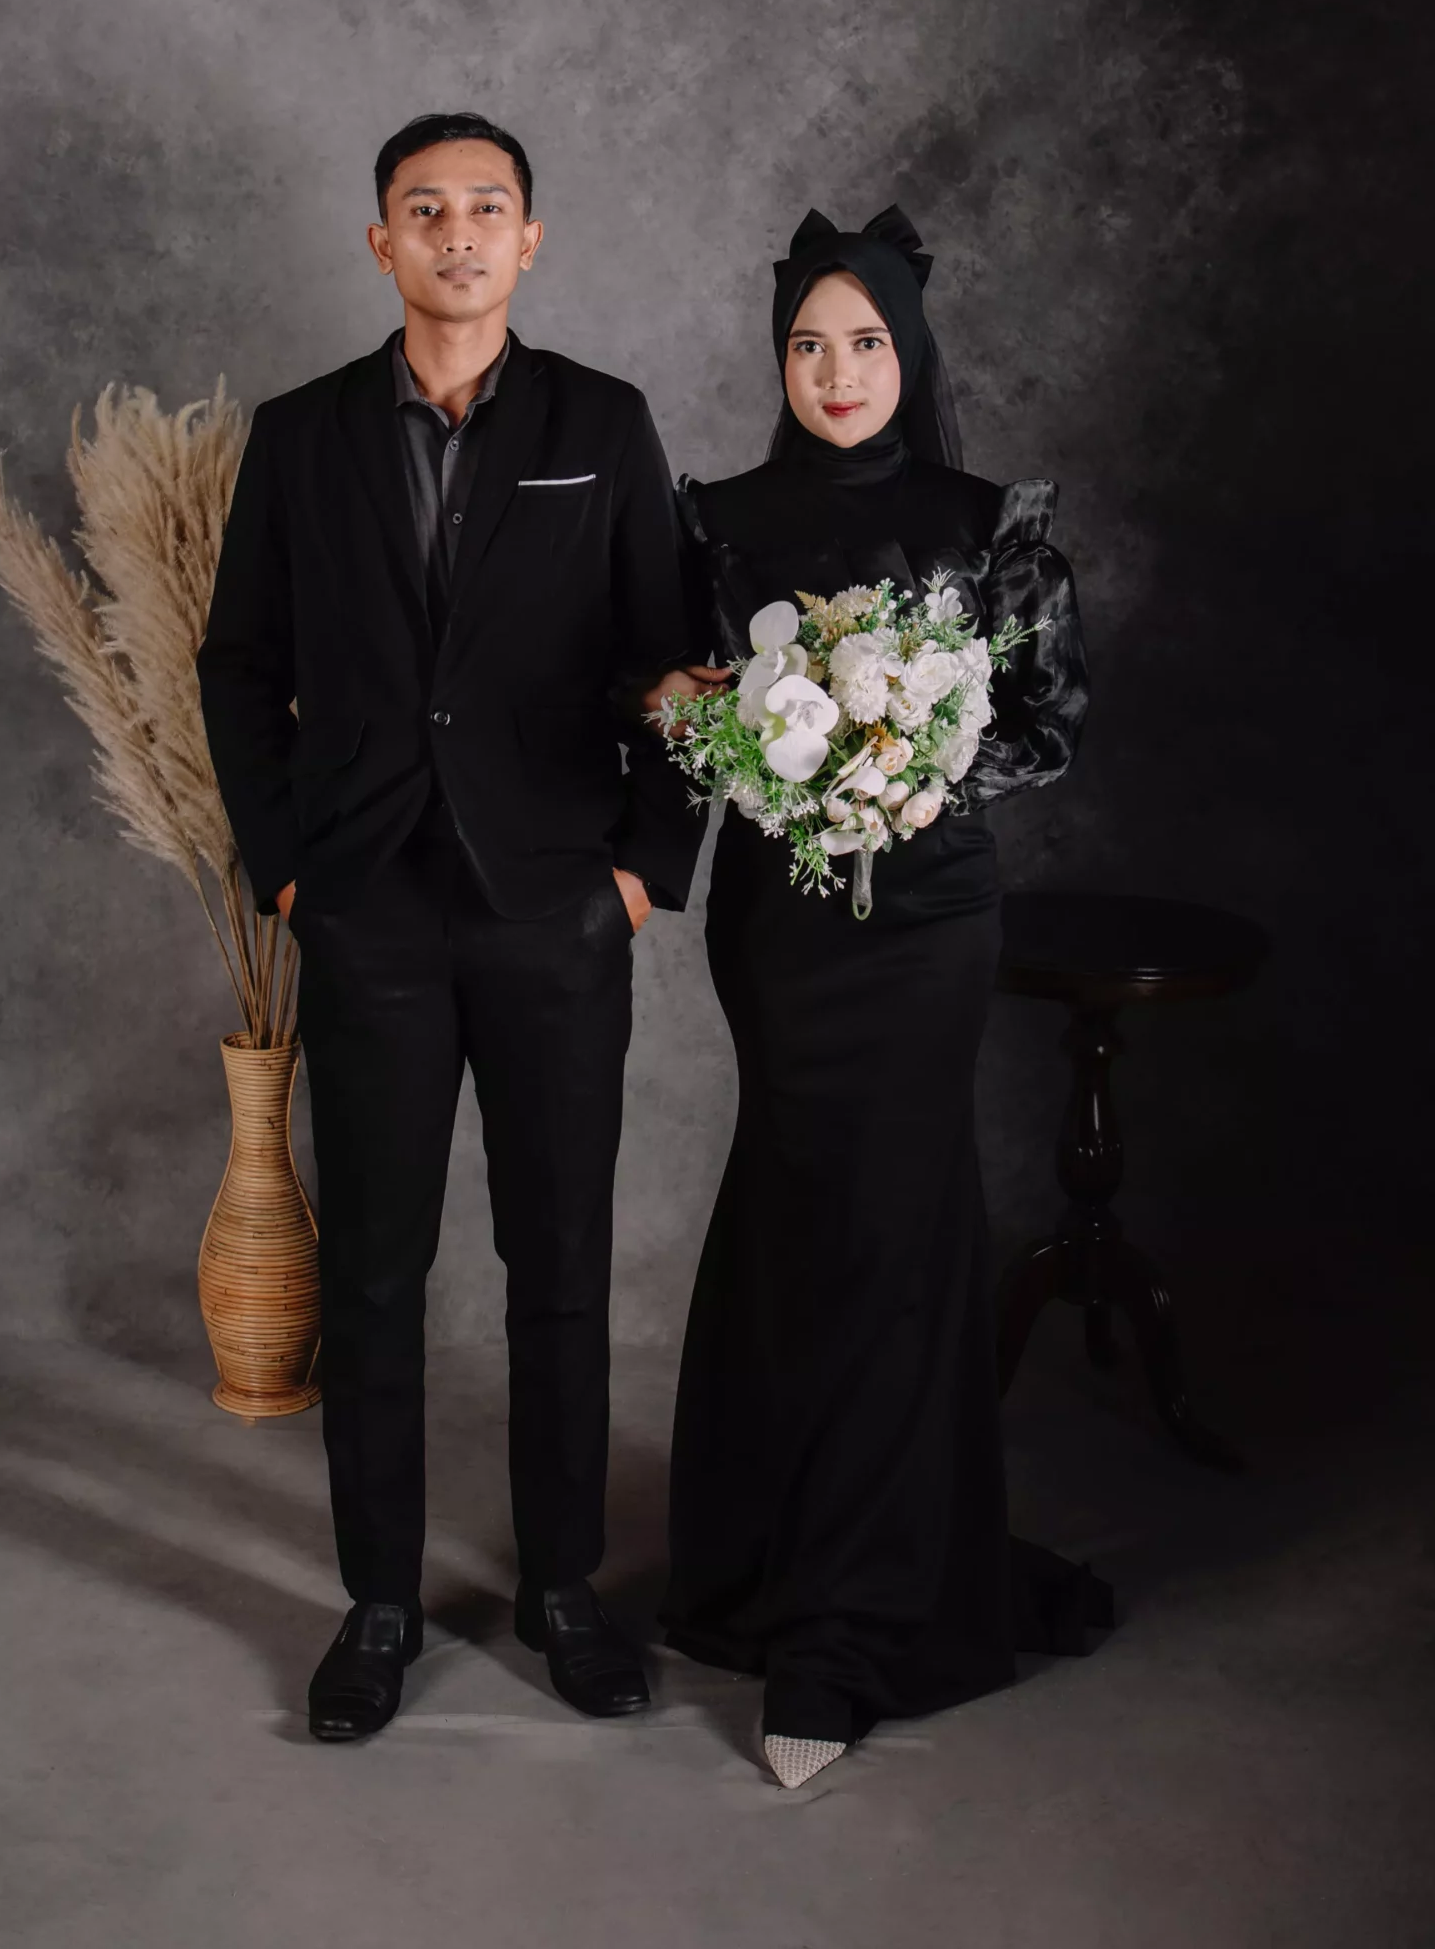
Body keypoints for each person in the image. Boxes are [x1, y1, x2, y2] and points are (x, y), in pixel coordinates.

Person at [198, 112, 707, 1741]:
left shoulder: (601, 422)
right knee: (373, 1278)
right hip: (371, 911)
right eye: (426, 210)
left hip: (556, 907)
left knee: (559, 1267)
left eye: (488, 207)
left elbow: (674, 656)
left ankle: (563, 1592)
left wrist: (646, 867)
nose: (459, 233)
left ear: (530, 239)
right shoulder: (303, 434)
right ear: (383, 244)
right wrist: (291, 872)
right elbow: (237, 664)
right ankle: (380, 1604)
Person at [660, 204, 1112, 1788]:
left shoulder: (987, 522)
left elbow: (1050, 717)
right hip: (777, 932)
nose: (836, 371)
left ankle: (846, 1632)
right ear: (777, 360)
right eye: (807, 344)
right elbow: (674, 709)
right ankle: (758, 1553)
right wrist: (696, 718)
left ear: (910, 353)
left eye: (864, 342)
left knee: (895, 1234)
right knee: (793, 1218)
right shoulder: (716, 521)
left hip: (926, 926)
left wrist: (924, 770)